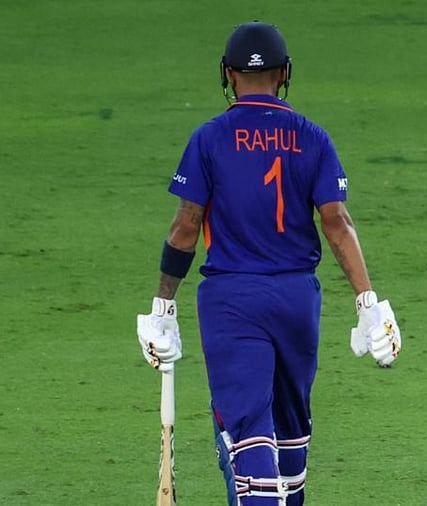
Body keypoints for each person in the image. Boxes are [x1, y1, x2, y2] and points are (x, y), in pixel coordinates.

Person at [135, 21, 402, 505]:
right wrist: (369, 304)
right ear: (285, 74)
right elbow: (337, 222)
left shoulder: (209, 139)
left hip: (232, 302)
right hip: (297, 301)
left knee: (249, 431)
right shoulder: (313, 138)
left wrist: (162, 306)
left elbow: (185, 227)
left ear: (228, 75)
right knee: (292, 434)